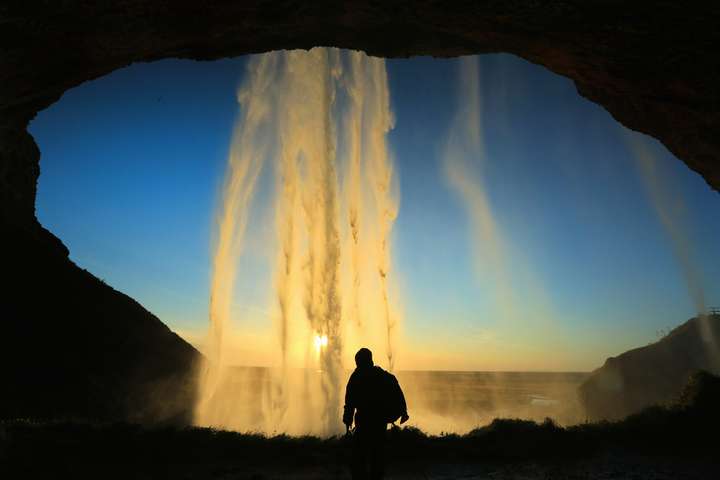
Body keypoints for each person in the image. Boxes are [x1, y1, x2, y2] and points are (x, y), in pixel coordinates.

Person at [343, 347, 409, 480]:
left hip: (364, 422)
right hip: (379, 422)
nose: (357, 364)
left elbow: (350, 402)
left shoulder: (356, 377)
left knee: (359, 458)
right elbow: (397, 392)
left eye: (358, 361)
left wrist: (347, 421)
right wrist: (403, 411)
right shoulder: (383, 375)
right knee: (376, 456)